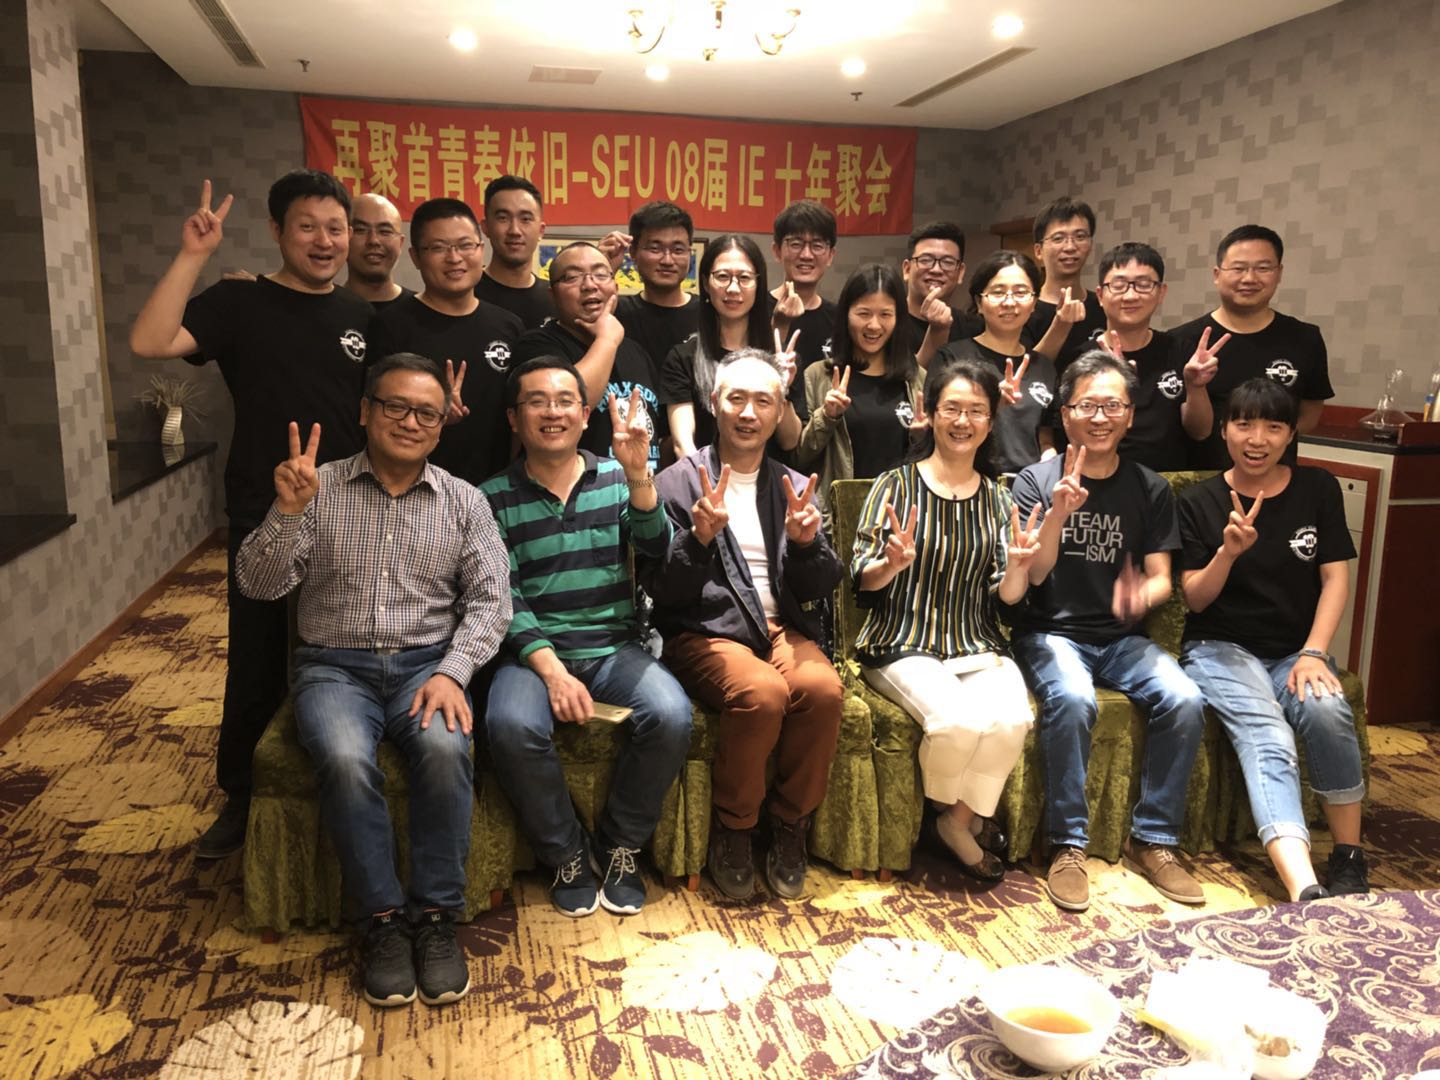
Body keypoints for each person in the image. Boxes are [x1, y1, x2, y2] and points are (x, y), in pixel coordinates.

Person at [235, 352, 511, 1008]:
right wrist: (286, 513)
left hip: (426, 666)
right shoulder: (318, 487)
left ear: (442, 425)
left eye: (427, 414)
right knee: (343, 756)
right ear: (365, 411)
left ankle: (437, 917)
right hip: (334, 667)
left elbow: (491, 601)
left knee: (445, 749)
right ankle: (382, 921)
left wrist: (453, 673)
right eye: (396, 407)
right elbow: (258, 585)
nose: (411, 422)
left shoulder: (464, 501)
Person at [129, 171, 373, 859]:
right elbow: (150, 341)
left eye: (336, 228)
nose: (324, 241)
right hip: (264, 507)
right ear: (276, 231)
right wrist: (193, 255)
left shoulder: (361, 317)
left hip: (349, 510)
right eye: (307, 226)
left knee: (343, 645)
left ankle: (335, 775)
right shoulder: (239, 301)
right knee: (258, 655)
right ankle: (242, 793)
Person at [481, 356, 692, 917]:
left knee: (671, 715)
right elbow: (502, 598)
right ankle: (566, 853)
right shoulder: (490, 497)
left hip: (613, 649)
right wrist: (552, 671)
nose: (552, 412)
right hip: (530, 657)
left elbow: (656, 549)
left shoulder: (616, 480)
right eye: (536, 401)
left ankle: (620, 844)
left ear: (584, 412)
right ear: (513, 418)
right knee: (509, 725)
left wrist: (640, 474)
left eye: (564, 401)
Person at [1009, 350, 1208, 913]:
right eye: (1088, 405)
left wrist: (1141, 596)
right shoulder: (1035, 480)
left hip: (1122, 640)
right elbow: (1034, 574)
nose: (1100, 417)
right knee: (1073, 699)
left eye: (1112, 406)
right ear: (1065, 413)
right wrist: (1058, 513)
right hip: (1050, 633)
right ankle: (1068, 845)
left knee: (1186, 699)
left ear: (1130, 415)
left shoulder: (1150, 488)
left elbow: (1162, 578)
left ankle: (1154, 840)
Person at [644, 349, 844, 901]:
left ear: (780, 411)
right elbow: (663, 592)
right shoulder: (677, 484)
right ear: (714, 404)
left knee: (822, 689)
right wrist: (698, 541)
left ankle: (790, 825)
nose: (749, 413)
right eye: (736, 399)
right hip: (705, 631)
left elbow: (820, 585)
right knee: (761, 692)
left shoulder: (794, 484)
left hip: (781, 628)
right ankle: (734, 830)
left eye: (763, 401)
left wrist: (805, 545)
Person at [1177, 378, 1368, 901]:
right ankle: (1304, 887)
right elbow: (1195, 600)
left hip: (1294, 651)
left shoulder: (1318, 489)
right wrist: (1228, 553)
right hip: (1219, 648)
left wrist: (1313, 652)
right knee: (1268, 734)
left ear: (1290, 435)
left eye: (1273, 426)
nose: (1256, 439)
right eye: (1244, 424)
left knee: (1328, 710)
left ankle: (1350, 856)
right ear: (1224, 430)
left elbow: (1335, 578)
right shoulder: (1199, 501)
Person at [852, 358, 1042, 881]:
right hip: (901, 639)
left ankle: (954, 821)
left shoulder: (999, 497)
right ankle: (957, 818)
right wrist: (890, 565)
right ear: (930, 414)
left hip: (974, 641)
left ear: (991, 420)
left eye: (976, 411)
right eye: (952, 409)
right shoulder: (895, 485)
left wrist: (1019, 567)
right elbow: (860, 579)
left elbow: (1006, 599)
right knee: (957, 722)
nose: (963, 421)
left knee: (1012, 720)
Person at [368, 197, 523, 486]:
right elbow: (375, 417)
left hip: (496, 490)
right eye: (438, 248)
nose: (454, 258)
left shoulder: (509, 326)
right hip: (412, 487)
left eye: (465, 245)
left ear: (481, 249)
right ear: (416, 257)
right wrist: (433, 413)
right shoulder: (390, 325)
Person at [1171, 225, 1334, 468]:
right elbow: (1183, 424)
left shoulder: (1305, 338)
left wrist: (1268, 444)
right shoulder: (1181, 340)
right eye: (1238, 268)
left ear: (1279, 273)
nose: (1249, 278)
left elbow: (1310, 413)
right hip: (1201, 478)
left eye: (1263, 268)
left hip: (1276, 477)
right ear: (1217, 274)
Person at [511, 242, 668, 474]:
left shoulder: (636, 351)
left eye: (601, 274)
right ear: (553, 296)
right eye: (572, 277)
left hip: (640, 488)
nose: (589, 285)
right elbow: (569, 402)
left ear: (615, 287)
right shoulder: (537, 346)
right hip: (578, 492)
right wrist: (607, 340)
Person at [659, 235, 802, 457]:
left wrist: (783, 385)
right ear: (706, 283)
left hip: (767, 477)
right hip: (703, 476)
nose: (733, 288)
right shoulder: (683, 358)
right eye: (723, 277)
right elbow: (682, 444)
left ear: (758, 284)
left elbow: (790, 441)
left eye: (744, 277)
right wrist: (705, 479)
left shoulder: (780, 358)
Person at [795, 264, 921, 513]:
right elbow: (799, 456)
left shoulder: (915, 379)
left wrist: (924, 438)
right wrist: (827, 416)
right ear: (846, 314)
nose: (874, 325)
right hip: (841, 519)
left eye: (885, 315)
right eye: (864, 313)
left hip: (901, 515)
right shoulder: (819, 375)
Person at [1093, 242, 1224, 471]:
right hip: (1100, 481)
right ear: (1100, 295)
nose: (1131, 295)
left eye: (1144, 285)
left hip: (1167, 483)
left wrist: (1195, 387)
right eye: (1119, 285)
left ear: (1161, 292)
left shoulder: (1181, 351)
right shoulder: (1082, 359)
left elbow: (1200, 432)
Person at [936, 251, 1059, 476]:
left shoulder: (1044, 367)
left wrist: (1048, 454)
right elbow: (935, 427)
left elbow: (1044, 434)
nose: (1009, 302)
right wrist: (991, 403)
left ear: (1034, 302)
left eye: (1021, 292)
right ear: (979, 303)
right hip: (970, 480)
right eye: (998, 292)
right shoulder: (953, 358)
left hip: (1030, 486)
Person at [614, 201, 701, 392]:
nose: (668, 260)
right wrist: (604, 268)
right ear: (633, 252)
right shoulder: (616, 312)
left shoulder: (709, 313)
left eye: (678, 250)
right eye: (655, 249)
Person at [766, 200, 840, 413]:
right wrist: (778, 325)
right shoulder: (754, 307)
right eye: (796, 244)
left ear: (830, 255)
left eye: (817, 245)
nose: (806, 255)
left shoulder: (840, 318)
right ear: (777, 251)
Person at [1025, 197, 1107, 370]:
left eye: (1080, 237)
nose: (1070, 247)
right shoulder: (1024, 307)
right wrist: (1061, 325)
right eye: (1058, 238)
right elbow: (1023, 373)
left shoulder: (1104, 305)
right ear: (1038, 251)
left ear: (1090, 245)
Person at [476, 175, 554, 329]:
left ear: (541, 230)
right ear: (486, 227)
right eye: (503, 218)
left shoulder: (556, 298)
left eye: (525, 219)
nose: (515, 231)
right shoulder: (465, 293)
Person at [901, 221, 981, 364]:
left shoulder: (973, 329)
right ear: (907, 269)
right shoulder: (884, 324)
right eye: (926, 260)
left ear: (960, 273)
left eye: (948, 262)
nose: (936, 270)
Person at [345, 193, 412, 308]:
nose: (373, 240)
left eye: (385, 231)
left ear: (401, 243)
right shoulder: (321, 311)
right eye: (360, 230)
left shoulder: (424, 311)